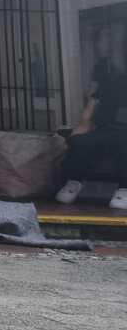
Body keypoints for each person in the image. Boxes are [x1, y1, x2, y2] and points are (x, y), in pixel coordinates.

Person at [57, 32, 127, 209]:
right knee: (79, 141)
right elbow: (90, 109)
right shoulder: (113, 81)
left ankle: (125, 190)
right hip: (106, 130)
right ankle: (74, 182)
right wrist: (78, 130)